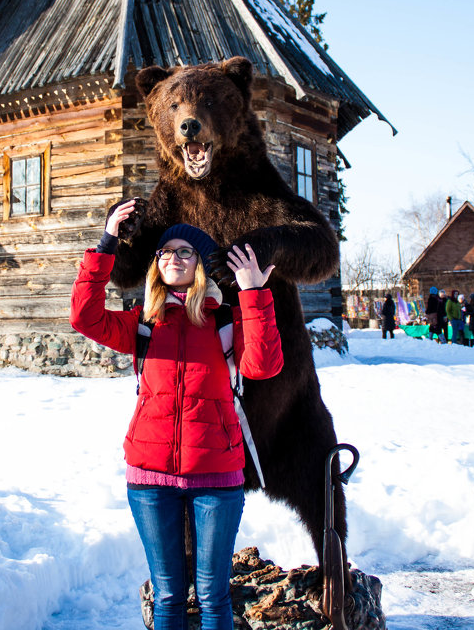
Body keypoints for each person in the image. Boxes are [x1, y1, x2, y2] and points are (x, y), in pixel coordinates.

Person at [70, 200, 283, 630]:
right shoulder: (143, 324)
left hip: (217, 477)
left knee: (212, 595)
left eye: (185, 251)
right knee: (167, 594)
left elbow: (263, 366)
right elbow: (84, 317)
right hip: (149, 479)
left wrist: (254, 293)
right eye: (166, 252)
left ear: (201, 265)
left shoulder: (225, 321)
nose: (173, 257)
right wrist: (107, 240)